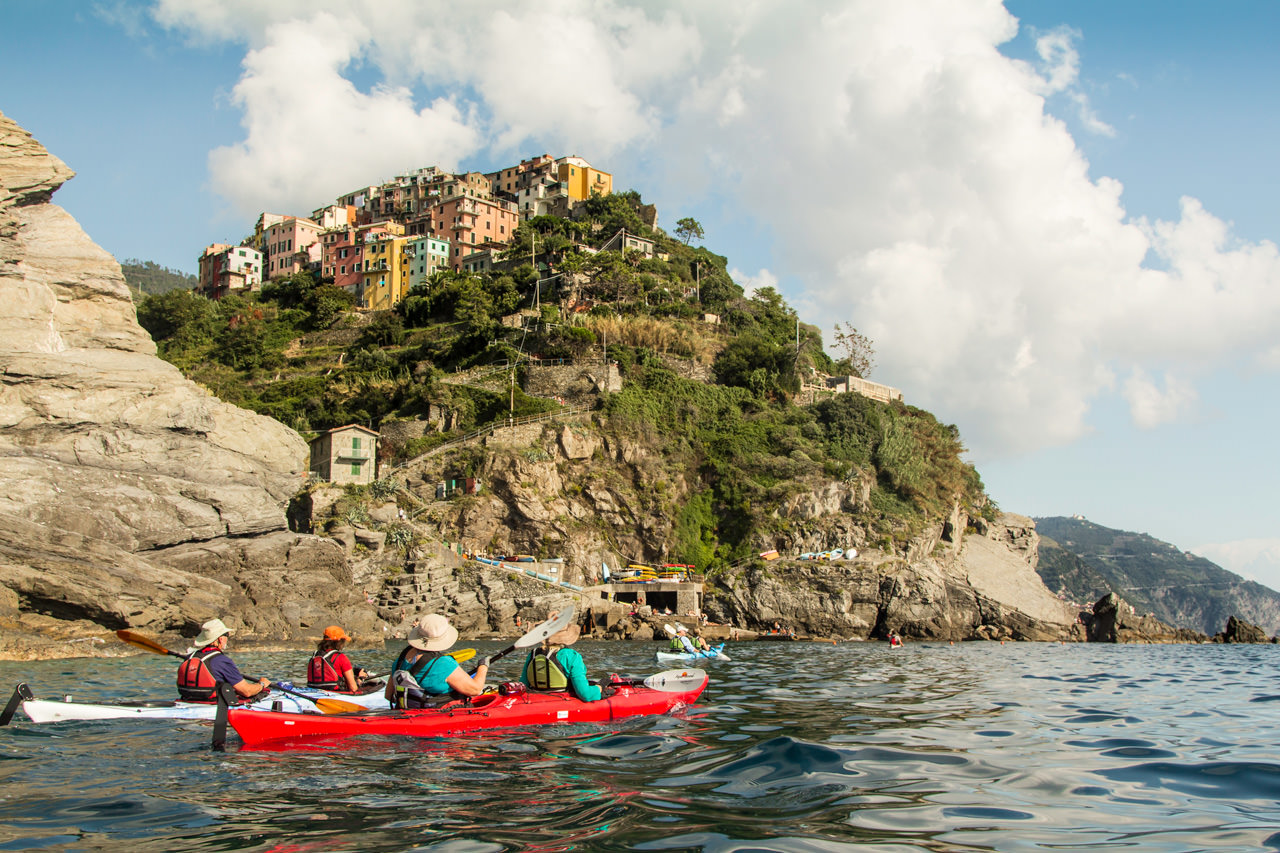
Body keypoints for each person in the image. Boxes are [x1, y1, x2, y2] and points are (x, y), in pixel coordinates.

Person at [385, 613, 489, 708]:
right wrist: (483, 666)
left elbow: (389, 696)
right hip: (440, 716)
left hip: (407, 714)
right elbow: (476, 690)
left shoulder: (400, 661)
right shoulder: (444, 663)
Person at [176, 618, 271, 703]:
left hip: (187, 701)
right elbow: (247, 691)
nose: (227, 638)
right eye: (227, 635)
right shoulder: (222, 661)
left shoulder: (190, 657)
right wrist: (262, 684)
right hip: (214, 705)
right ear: (220, 639)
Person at [520, 617, 603, 702]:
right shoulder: (572, 656)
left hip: (534, 700)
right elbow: (586, 695)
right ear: (566, 637)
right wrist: (600, 687)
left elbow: (523, 685)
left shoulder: (532, 654)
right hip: (562, 700)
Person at [306, 625, 371, 693]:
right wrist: (359, 680)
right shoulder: (341, 658)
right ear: (339, 641)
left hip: (314, 692)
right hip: (336, 695)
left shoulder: (315, 655)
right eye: (343, 641)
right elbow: (353, 689)